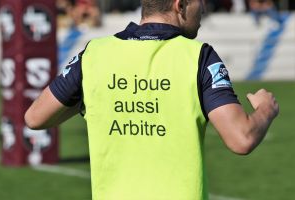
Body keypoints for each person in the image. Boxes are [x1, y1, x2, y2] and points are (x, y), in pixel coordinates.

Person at [25, 0, 279, 199]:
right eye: (199, 3)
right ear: (180, 5)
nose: (203, 9)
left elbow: (35, 117)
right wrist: (265, 109)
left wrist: (92, 97)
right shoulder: (199, 56)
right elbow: (242, 138)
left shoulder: (94, 53)